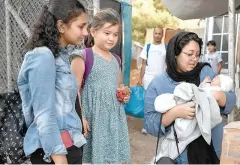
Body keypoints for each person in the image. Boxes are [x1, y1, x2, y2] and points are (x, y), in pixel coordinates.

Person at [144, 32, 236, 164]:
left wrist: (219, 96)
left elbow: (232, 101)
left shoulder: (205, 72)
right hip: (180, 156)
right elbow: (149, 124)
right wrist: (174, 113)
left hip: (213, 151)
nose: (194, 59)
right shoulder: (158, 84)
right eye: (189, 54)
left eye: (197, 55)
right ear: (175, 53)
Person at [17, 0, 88, 164]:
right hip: (56, 153)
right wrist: (59, 158)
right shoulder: (43, 56)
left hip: (69, 144)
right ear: (61, 26)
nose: (85, 32)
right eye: (80, 26)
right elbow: (43, 114)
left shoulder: (60, 56)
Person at [70, 8, 131, 164]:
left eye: (115, 34)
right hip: (92, 118)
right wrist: (80, 117)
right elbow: (72, 91)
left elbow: (119, 87)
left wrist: (123, 94)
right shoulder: (84, 56)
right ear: (93, 31)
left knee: (111, 158)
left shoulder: (116, 60)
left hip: (112, 119)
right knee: (91, 159)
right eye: (107, 33)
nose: (111, 38)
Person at [138, 27, 167, 134]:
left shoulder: (166, 48)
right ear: (153, 34)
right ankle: (146, 125)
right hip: (148, 78)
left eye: (160, 33)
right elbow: (144, 64)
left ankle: (160, 124)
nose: (157, 35)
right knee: (148, 102)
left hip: (161, 79)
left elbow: (168, 65)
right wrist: (140, 78)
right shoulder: (148, 47)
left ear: (162, 35)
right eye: (156, 33)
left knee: (161, 102)